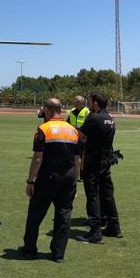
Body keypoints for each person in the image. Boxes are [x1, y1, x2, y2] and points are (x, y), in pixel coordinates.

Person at [19, 98, 80, 263]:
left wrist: (30, 181)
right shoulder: (73, 130)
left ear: (46, 109)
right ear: (61, 110)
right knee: (64, 216)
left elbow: (38, 158)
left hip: (47, 178)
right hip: (68, 178)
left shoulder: (43, 129)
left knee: (35, 214)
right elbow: (77, 160)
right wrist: (76, 180)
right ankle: (58, 254)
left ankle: (30, 250)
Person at [76, 92, 123, 244]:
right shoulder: (110, 118)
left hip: (93, 160)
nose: (88, 104)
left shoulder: (94, 117)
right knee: (107, 194)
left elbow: (80, 136)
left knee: (93, 194)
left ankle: (95, 232)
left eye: (89, 101)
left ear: (95, 103)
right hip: (106, 160)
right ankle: (114, 227)